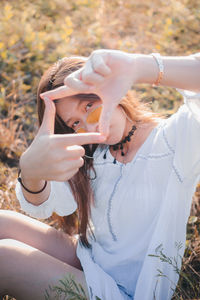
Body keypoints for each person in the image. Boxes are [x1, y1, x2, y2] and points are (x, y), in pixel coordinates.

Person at [0, 50, 199, 300]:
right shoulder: (90, 156)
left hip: (125, 292)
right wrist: (30, 173)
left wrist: (138, 67)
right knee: (2, 222)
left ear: (112, 88)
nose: (90, 125)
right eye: (75, 124)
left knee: (4, 258)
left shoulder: (173, 142)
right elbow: (42, 206)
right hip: (88, 258)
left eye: (90, 106)